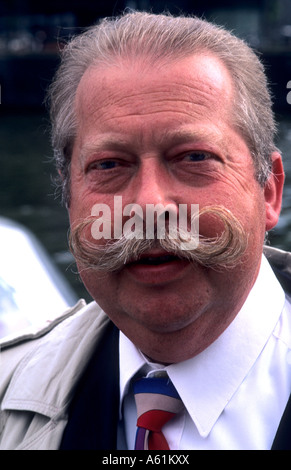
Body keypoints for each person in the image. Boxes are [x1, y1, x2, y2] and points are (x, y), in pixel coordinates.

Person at [0, 11, 290, 450]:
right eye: (109, 165)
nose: (149, 205)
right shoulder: (9, 393)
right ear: (69, 196)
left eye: (194, 157)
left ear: (268, 190)